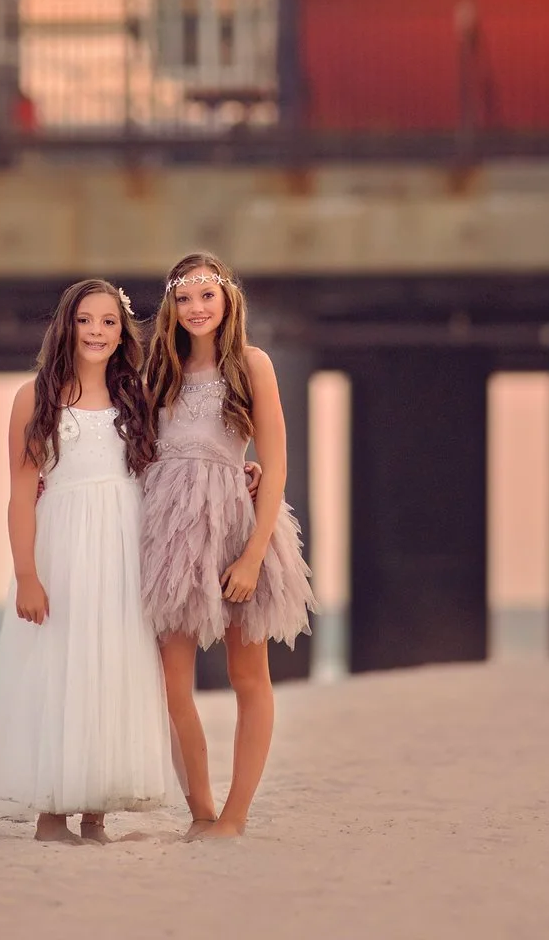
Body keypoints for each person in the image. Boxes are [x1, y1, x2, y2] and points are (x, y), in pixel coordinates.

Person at [0, 279, 172, 843]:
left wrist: (243, 470)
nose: (97, 332)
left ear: (122, 331)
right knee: (61, 665)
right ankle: (51, 815)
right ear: (67, 325)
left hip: (122, 545)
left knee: (112, 666)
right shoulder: (35, 397)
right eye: (86, 320)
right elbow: (20, 492)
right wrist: (26, 575)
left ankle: (95, 815)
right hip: (62, 545)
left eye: (109, 322)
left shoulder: (138, 395)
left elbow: (167, 463)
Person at [139, 252, 316, 840]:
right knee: (173, 684)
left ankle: (235, 817)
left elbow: (278, 463)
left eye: (206, 296)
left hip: (239, 526)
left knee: (249, 676)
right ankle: (202, 811)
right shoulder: (156, 372)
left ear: (226, 301)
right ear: (171, 307)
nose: (196, 309)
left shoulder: (253, 365)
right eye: (184, 299)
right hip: (171, 533)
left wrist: (252, 555)